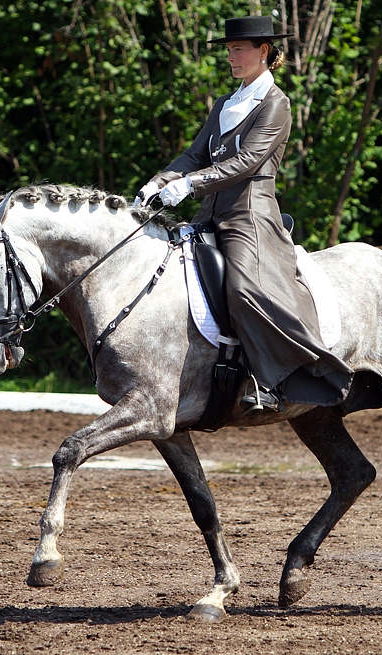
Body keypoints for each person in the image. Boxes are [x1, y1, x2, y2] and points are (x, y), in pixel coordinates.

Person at [133, 15, 353, 414]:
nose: (231, 57)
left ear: (263, 52)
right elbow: (195, 154)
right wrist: (157, 182)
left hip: (250, 216)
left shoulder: (276, 104)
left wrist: (189, 185)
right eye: (229, 50)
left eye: (238, 50)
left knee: (242, 289)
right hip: (211, 214)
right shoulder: (226, 104)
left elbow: (248, 162)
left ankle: (269, 379)